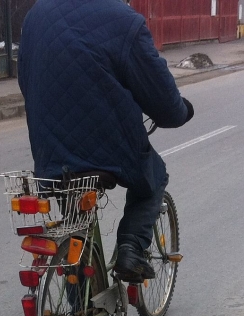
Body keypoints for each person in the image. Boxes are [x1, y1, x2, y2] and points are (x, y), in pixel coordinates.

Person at [18, 0, 194, 283]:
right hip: (109, 144)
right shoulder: (124, 20)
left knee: (75, 220)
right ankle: (131, 250)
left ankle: (80, 311)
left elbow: (26, 79)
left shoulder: (36, 15)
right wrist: (180, 111)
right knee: (154, 177)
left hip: (50, 147)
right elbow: (159, 91)